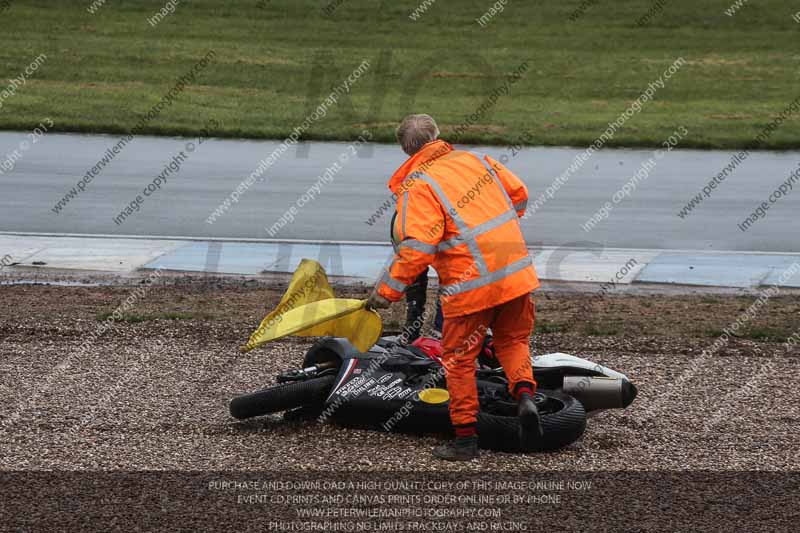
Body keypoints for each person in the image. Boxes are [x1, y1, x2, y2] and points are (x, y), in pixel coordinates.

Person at [367, 114, 542, 461]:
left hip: (469, 286)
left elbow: (417, 249)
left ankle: (465, 439)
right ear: (437, 135)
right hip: (515, 273)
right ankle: (524, 395)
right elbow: (519, 196)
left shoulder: (418, 186)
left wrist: (385, 293)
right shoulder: (477, 161)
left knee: (459, 361)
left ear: (406, 150)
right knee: (512, 341)